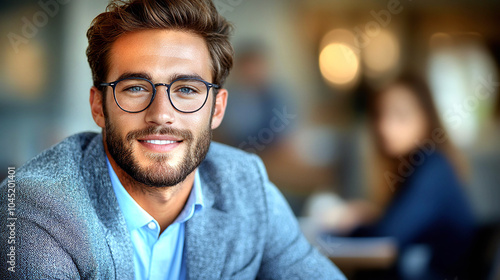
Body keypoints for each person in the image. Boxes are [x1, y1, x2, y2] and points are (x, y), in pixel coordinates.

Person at [0, 1, 345, 279]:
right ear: (99, 107)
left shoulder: (247, 188)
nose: (162, 114)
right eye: (135, 88)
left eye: (186, 89)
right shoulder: (37, 206)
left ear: (217, 108)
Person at [340, 74, 476, 279]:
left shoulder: (433, 166)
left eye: (400, 115)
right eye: (380, 115)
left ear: (426, 117)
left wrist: (345, 227)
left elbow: (387, 236)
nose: (385, 127)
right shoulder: (419, 164)